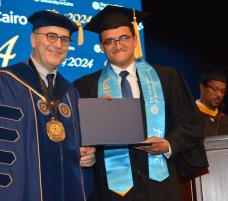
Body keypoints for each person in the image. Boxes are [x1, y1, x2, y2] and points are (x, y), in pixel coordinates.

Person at [74, 5, 208, 201]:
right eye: (109, 41)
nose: (117, 45)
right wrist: (86, 153)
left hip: (162, 187)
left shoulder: (167, 78)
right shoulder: (85, 87)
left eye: (123, 38)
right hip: (111, 191)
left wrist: (169, 144)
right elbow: (78, 137)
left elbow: (193, 124)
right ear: (102, 47)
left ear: (135, 39)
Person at [0, 10, 95, 201]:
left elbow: (76, 149)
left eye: (65, 39)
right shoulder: (7, 81)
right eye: (51, 36)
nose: (58, 44)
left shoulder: (70, 92)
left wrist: (86, 158)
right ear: (33, 40)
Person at [196, 65, 228, 136]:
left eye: (223, 91)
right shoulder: (188, 115)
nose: (219, 95)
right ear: (202, 87)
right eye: (215, 89)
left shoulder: (225, 120)